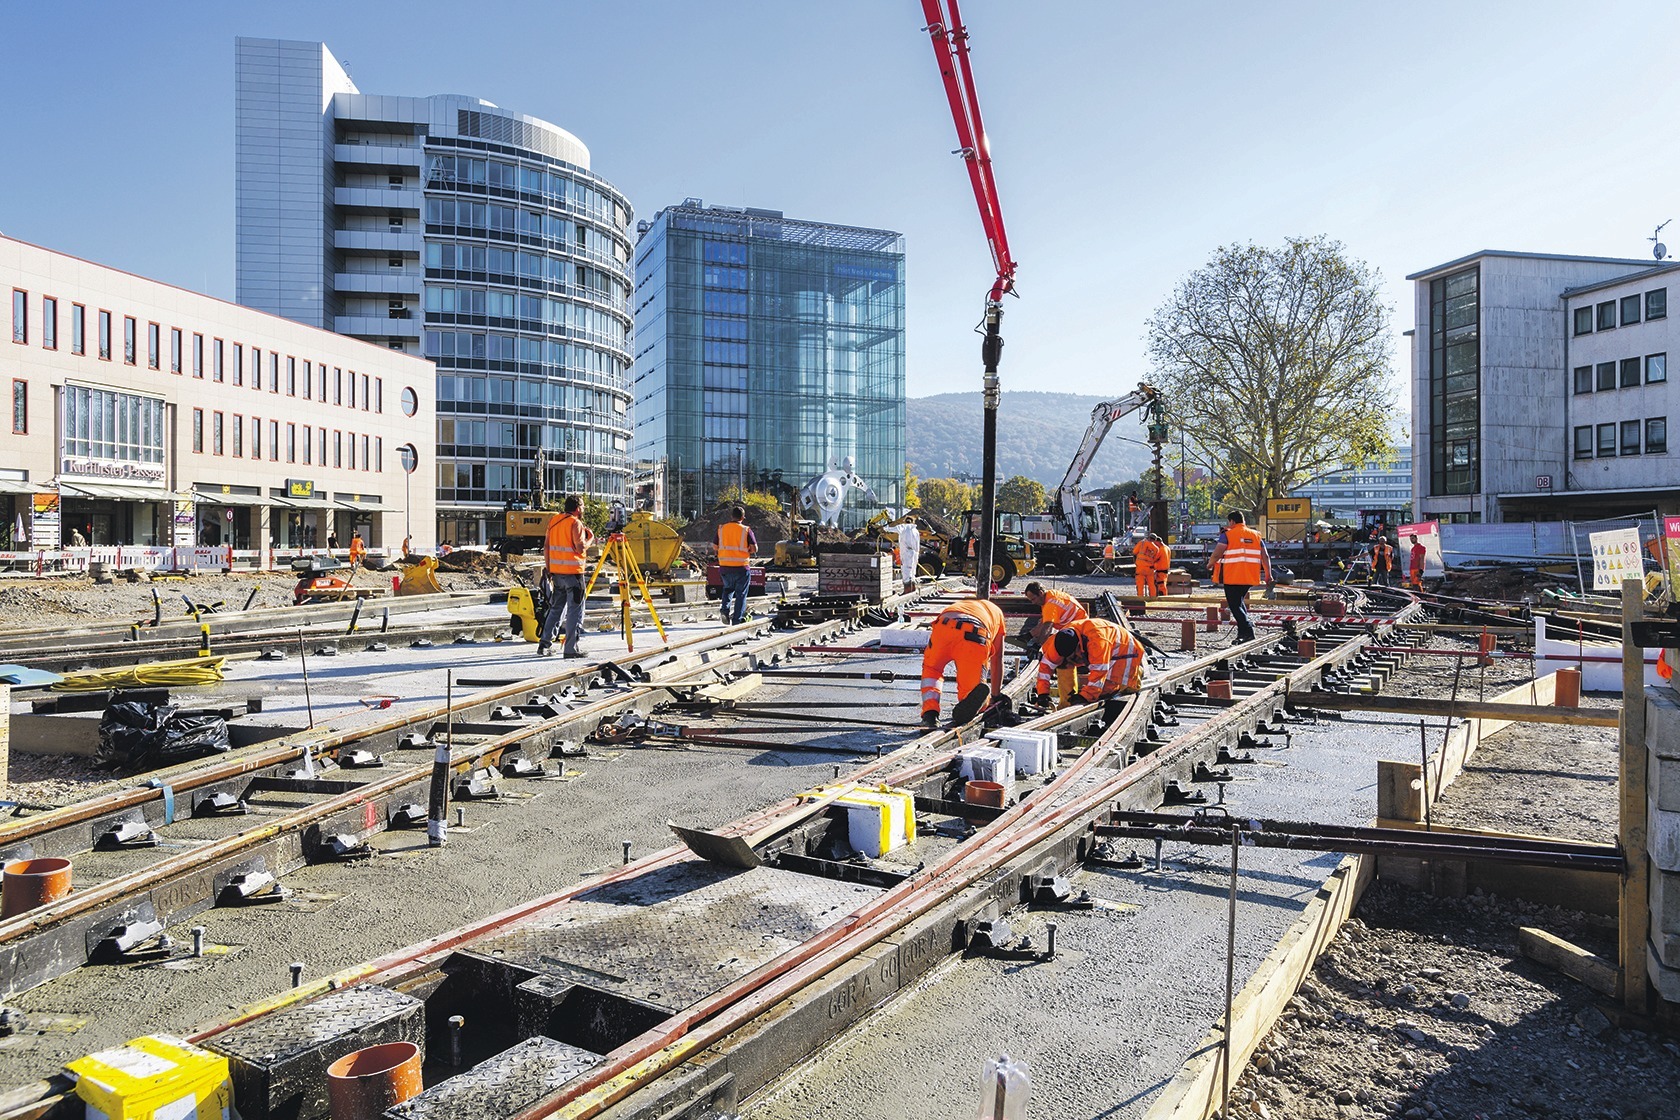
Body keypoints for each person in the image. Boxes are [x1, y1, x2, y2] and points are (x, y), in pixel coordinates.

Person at [920, 598, 1006, 729]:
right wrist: (995, 695)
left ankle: (930, 714)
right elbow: (997, 659)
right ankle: (973, 702)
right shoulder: (998, 615)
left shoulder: (966, 604)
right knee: (972, 695)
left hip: (943, 626)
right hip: (974, 635)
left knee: (932, 669)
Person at [1032, 616, 1145, 708]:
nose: (1072, 661)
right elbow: (1045, 668)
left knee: (1107, 692)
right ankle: (1067, 703)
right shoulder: (1059, 641)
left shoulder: (1097, 642)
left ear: (1077, 647)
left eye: (1073, 657)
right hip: (1097, 647)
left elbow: (1099, 673)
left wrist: (1085, 697)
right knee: (1063, 664)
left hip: (1124, 650)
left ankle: (1135, 674)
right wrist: (1043, 693)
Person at [539, 496, 594, 658]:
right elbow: (580, 547)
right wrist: (590, 538)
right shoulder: (575, 523)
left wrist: (549, 569)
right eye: (582, 506)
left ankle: (544, 645)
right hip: (574, 574)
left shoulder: (554, 521)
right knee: (575, 611)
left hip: (556, 573)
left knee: (556, 608)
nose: (583, 510)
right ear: (577, 508)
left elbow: (547, 547)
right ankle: (571, 649)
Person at [1208, 510, 1271, 644]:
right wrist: (1268, 575)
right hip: (1249, 576)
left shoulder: (1228, 535)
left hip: (1232, 576)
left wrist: (1210, 564)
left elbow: (1217, 553)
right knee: (1239, 603)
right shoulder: (1256, 535)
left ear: (1232, 521)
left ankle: (1248, 630)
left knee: (1235, 605)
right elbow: (1265, 556)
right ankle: (1242, 634)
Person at [715, 505, 757, 625]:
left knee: (728, 589)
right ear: (743, 517)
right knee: (741, 594)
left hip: (724, 567)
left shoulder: (721, 529)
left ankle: (724, 610)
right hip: (741, 567)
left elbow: (715, 546)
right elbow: (754, 548)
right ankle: (737, 620)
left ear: (731, 516)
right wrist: (748, 550)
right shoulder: (746, 530)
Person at [1022, 581, 1087, 648]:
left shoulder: (1051, 603)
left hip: (1080, 630)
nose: (1033, 602)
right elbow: (1043, 624)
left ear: (1040, 593)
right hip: (1075, 626)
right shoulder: (1049, 597)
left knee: (1055, 650)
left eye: (1033, 599)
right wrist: (1028, 636)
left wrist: (1038, 645)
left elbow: (1047, 627)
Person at [882, 512, 922, 592]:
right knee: (912, 571)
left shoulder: (903, 527)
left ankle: (907, 590)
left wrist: (884, 528)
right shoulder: (915, 530)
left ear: (905, 521)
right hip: (915, 552)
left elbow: (889, 529)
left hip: (907, 552)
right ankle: (912, 589)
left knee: (906, 571)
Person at [1132, 534, 1165, 599]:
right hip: (1149, 568)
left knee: (1140, 584)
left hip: (1140, 567)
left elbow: (1134, 552)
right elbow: (1155, 558)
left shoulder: (1141, 543)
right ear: (1154, 540)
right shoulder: (1156, 548)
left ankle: (1140, 599)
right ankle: (1153, 598)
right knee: (1151, 584)